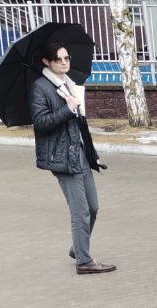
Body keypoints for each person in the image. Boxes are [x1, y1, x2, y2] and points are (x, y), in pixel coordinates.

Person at [30, 40, 114, 275]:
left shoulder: (69, 84)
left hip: (81, 155)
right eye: (59, 59)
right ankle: (84, 262)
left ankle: (77, 248)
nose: (65, 63)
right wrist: (67, 109)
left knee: (94, 208)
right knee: (81, 212)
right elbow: (41, 123)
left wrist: (92, 152)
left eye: (67, 58)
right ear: (47, 61)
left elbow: (80, 125)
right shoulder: (41, 87)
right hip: (63, 159)